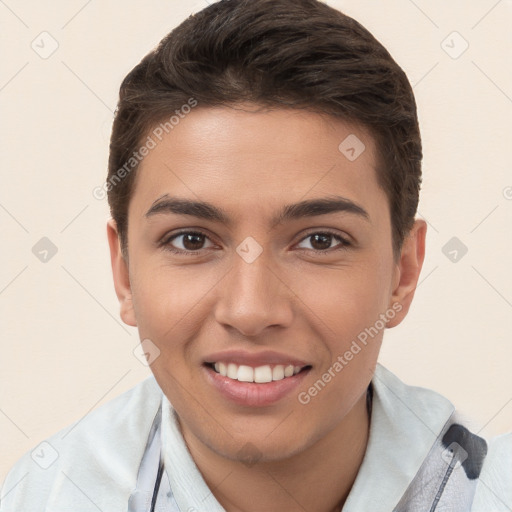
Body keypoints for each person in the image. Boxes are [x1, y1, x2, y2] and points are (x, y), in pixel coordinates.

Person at [1, 0, 510, 510]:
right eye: (191, 240)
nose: (250, 311)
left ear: (403, 272)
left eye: (320, 241)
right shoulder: (45, 496)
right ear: (125, 272)